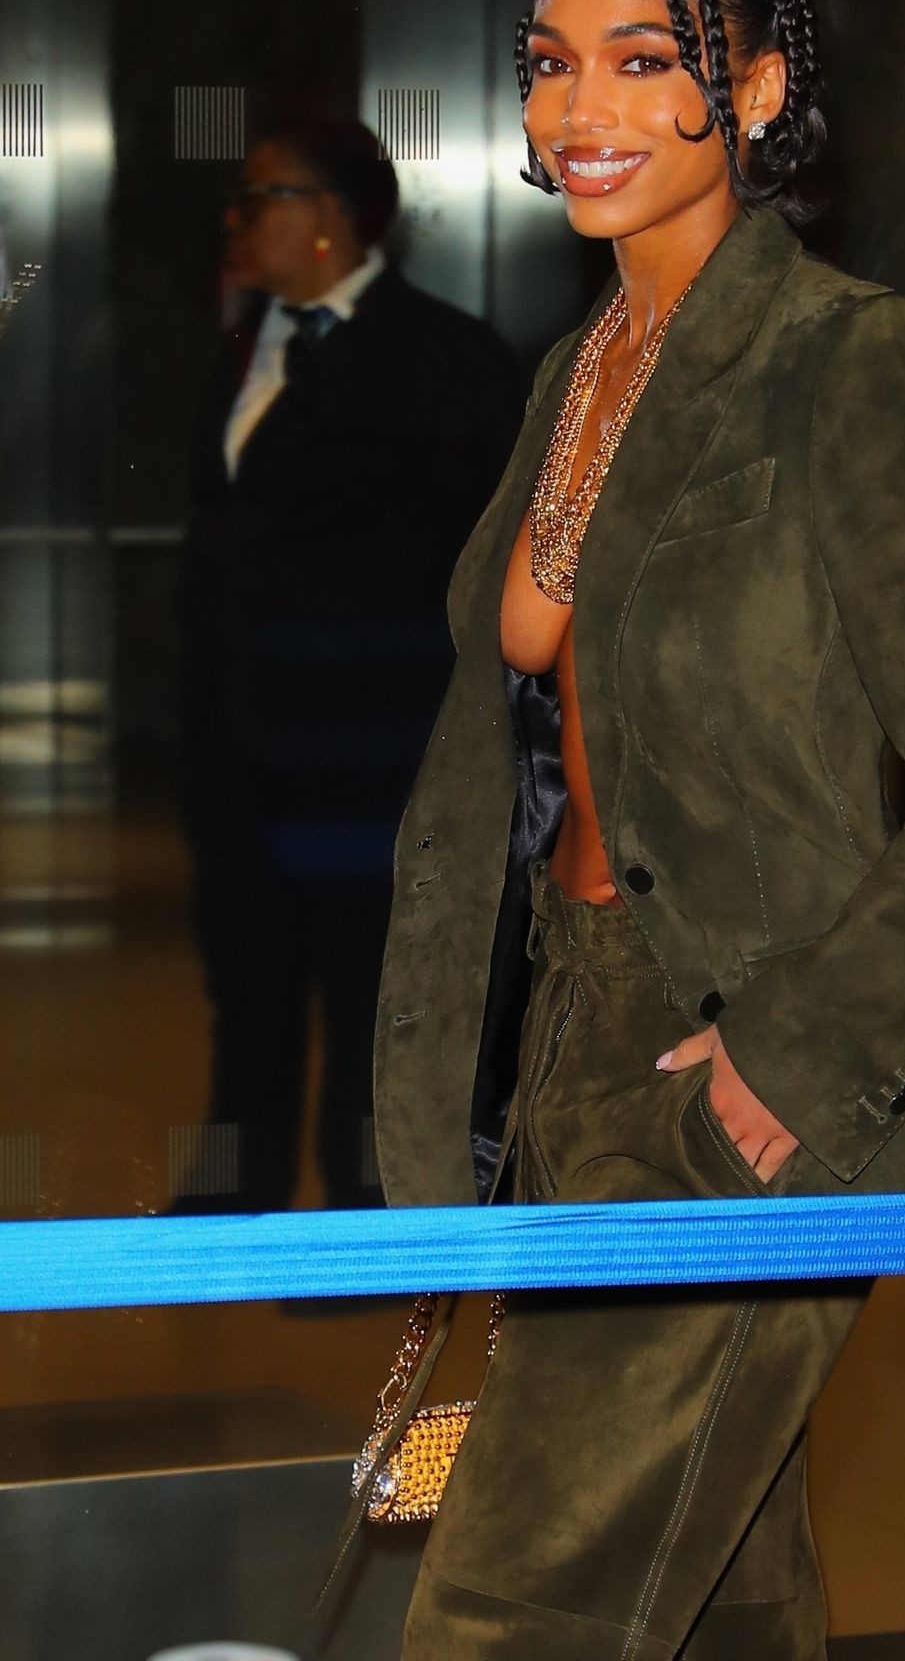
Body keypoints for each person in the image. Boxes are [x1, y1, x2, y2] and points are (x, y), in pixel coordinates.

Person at [363, 0, 905, 1658]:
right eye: (550, 64)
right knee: (715, 1607)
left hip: (740, 1068)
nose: (582, 109)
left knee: (509, 1609)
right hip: (564, 1044)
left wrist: (814, 1039)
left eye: (643, 61)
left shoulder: (845, 360)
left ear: (757, 91)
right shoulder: (576, 372)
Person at [176, 116, 523, 1213]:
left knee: (369, 990)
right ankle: (235, 1200)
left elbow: (485, 557)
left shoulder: (448, 358)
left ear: (331, 217)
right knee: (248, 986)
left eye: (262, 196)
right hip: (242, 746)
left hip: (373, 753)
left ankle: (367, 1220)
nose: (238, 220)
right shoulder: (246, 344)